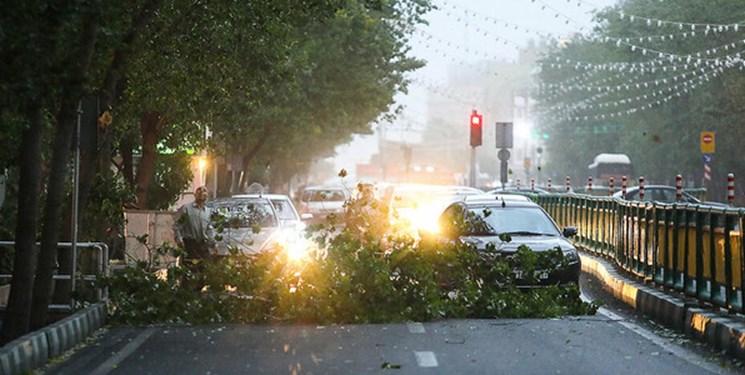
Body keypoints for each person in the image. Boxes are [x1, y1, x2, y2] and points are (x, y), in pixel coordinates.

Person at [173, 186, 216, 265]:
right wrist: (179, 240)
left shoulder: (208, 212)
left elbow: (210, 229)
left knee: (205, 270)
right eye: (199, 190)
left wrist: (212, 242)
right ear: (195, 194)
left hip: (203, 246)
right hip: (189, 245)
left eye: (204, 190)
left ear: (207, 195)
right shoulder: (186, 208)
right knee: (189, 270)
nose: (201, 192)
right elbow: (177, 225)